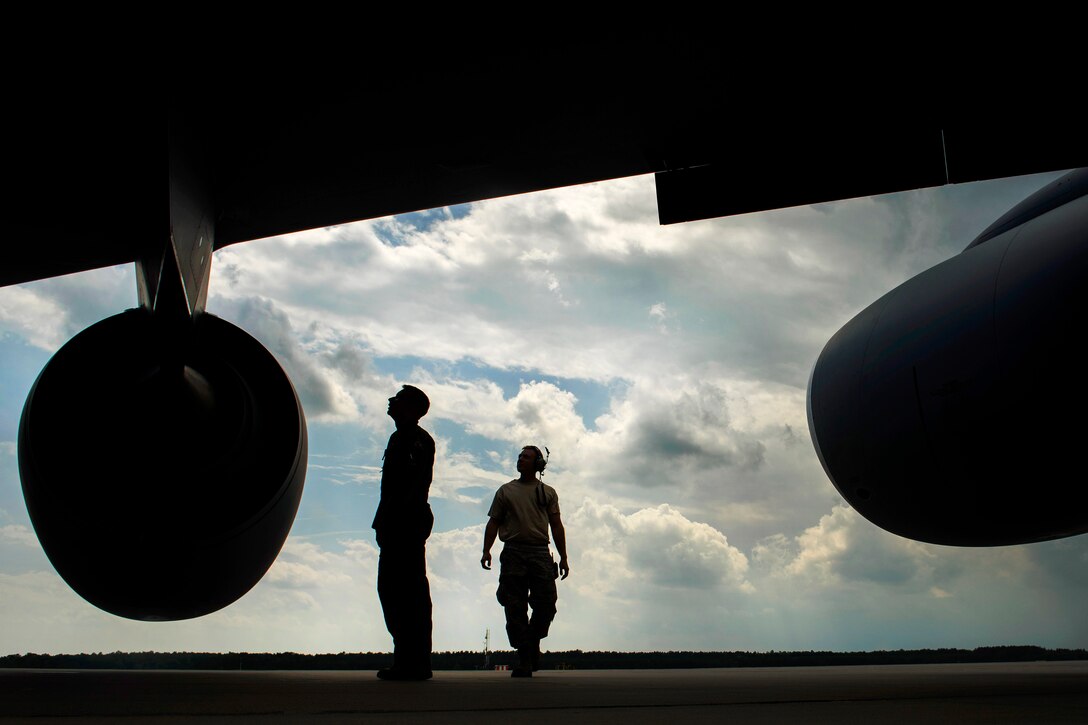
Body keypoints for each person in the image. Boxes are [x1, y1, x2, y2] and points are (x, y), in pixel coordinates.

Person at [481, 445, 569, 677]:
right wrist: (486, 550)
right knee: (514, 606)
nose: (521, 460)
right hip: (513, 553)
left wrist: (564, 557)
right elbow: (493, 523)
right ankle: (525, 657)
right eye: (520, 456)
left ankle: (531, 643)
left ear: (538, 463)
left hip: (540, 552)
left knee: (546, 603)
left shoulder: (547, 492)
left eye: (526, 457)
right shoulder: (505, 491)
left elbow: (557, 526)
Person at [372, 385, 435, 680]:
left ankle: (414, 662)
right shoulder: (399, 438)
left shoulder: (416, 441)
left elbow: (410, 488)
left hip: (405, 525)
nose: (390, 401)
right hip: (397, 523)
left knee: (406, 594)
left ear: (410, 408)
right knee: (392, 591)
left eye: (396, 399)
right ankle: (407, 659)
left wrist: (396, 524)